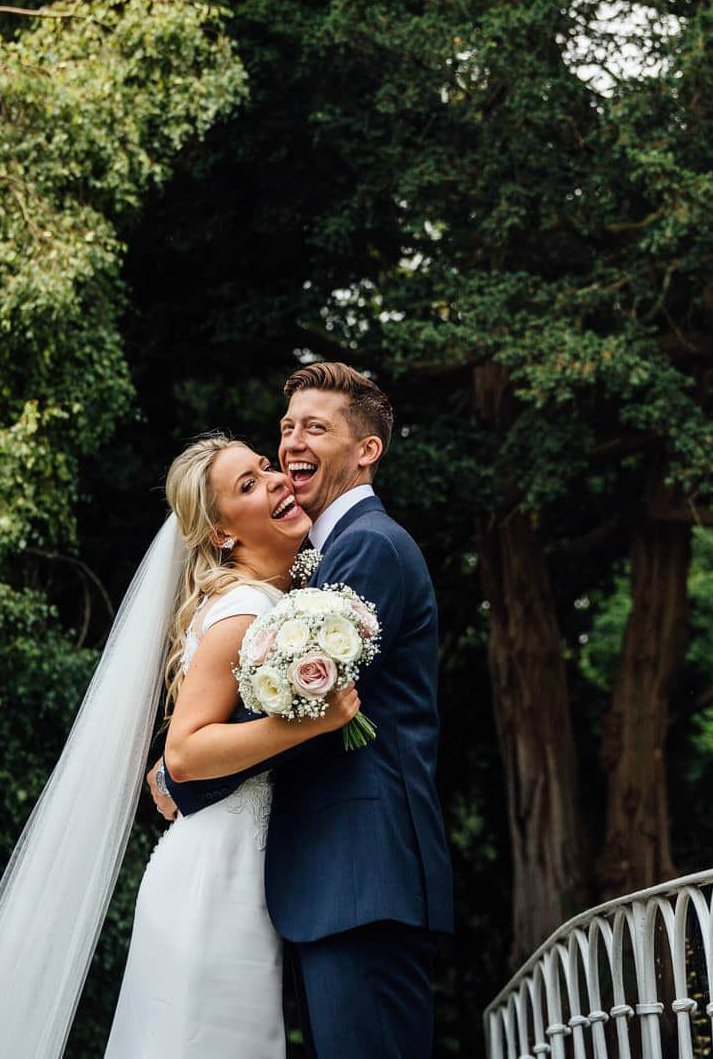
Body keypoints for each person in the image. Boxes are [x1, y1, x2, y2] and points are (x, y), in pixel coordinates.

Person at [0, 433, 356, 1059]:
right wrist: (312, 723)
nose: (276, 479)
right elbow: (184, 755)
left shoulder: (275, 602)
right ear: (221, 533)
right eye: (247, 485)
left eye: (265, 468)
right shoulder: (243, 608)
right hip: (211, 881)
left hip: (239, 873)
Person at [156, 362, 455, 1059]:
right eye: (286, 426)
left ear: (366, 450)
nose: (291, 443)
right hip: (341, 880)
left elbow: (310, 718)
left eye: (315, 427)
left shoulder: (366, 546)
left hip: (362, 875)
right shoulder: (318, 564)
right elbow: (297, 711)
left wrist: (183, 774)